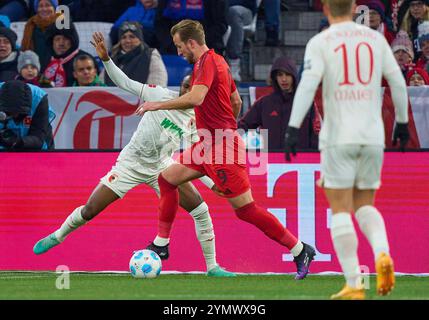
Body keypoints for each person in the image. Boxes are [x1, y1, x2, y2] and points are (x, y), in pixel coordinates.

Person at [33, 31, 235, 278]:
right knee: (90, 210)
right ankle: (57, 235)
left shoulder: (196, 121)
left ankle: (213, 267)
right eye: (183, 87)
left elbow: (198, 160)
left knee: (200, 210)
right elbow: (126, 83)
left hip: (162, 167)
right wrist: (106, 60)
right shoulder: (160, 95)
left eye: (190, 88)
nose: (186, 91)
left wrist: (213, 183)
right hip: (130, 165)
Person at [136, 19, 316, 280]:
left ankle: (300, 250)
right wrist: (222, 126)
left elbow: (196, 98)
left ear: (191, 43)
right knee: (167, 178)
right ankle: (161, 244)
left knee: (246, 210)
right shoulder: (216, 62)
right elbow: (235, 99)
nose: (178, 53)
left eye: (179, 47)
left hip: (221, 148)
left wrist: (157, 105)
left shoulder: (207, 63)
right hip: (208, 144)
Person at [284, 0, 409, 300]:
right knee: (366, 205)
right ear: (354, 7)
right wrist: (402, 122)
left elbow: (307, 84)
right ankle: (382, 254)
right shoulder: (375, 39)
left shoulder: (321, 42)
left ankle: (354, 283)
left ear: (325, 8)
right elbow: (397, 81)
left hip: (339, 136)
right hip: (372, 136)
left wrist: (292, 127)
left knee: (340, 208)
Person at [238, 56, 316, 151]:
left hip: (301, 162)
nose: (284, 79)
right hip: (271, 162)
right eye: (280, 75)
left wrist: (315, 159)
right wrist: (225, 139)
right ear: (275, 77)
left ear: (294, 76)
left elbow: (315, 134)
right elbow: (243, 125)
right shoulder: (264, 103)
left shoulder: (306, 103)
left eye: (287, 74)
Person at [154, 0, 228, 55]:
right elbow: (160, 23)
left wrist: (195, 43)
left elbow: (220, 25)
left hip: (206, 46)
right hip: (171, 47)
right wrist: (174, 43)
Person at [105, 21, 167, 87]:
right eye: (123, 37)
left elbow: (158, 88)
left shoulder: (151, 56)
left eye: (132, 37)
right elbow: (101, 86)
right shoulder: (112, 58)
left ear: (140, 39)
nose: (127, 41)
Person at [0, 80, 54, 150]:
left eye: (18, 113)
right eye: (10, 113)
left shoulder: (39, 98)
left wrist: (18, 142)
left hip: (35, 147)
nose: (15, 116)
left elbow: (38, 137)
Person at [43, 21, 93, 87]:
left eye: (65, 39)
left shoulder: (86, 59)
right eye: (57, 39)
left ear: (72, 40)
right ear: (52, 42)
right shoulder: (46, 60)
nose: (61, 43)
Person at [21, 0, 61, 71]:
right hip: (35, 71)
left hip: (58, 70)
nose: (44, 9)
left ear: (54, 8)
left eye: (48, 5)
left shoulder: (62, 23)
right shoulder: (31, 25)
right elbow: (25, 49)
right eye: (40, 6)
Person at [226, 0, 258, 82]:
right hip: (221, 10)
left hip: (245, 10)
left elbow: (249, 3)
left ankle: (234, 62)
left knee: (233, 11)